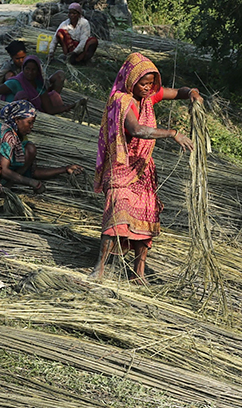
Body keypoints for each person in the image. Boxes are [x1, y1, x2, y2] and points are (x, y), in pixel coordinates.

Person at [92, 52, 202, 282]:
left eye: (151, 84)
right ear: (132, 80)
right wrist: (172, 134)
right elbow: (137, 130)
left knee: (147, 219)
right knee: (117, 215)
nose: (147, 88)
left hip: (143, 170)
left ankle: (138, 272)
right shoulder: (121, 101)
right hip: (122, 167)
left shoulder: (149, 97)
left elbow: (177, 92)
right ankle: (98, 269)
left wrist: (192, 93)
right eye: (143, 83)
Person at [0, 101, 82, 193]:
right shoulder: (4, 134)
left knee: (30, 148)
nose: (31, 126)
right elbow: (4, 170)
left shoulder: (20, 136)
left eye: (33, 123)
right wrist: (31, 183)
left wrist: (65, 169)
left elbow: (33, 172)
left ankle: (9, 184)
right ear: (17, 120)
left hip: (0, 172)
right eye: (29, 122)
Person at [0, 55, 81, 116]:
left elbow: (49, 109)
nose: (30, 72)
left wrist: (70, 106)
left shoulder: (39, 86)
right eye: (27, 69)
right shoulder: (15, 82)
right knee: (22, 96)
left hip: (29, 119)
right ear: (23, 69)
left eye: (34, 70)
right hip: (12, 116)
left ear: (38, 71)